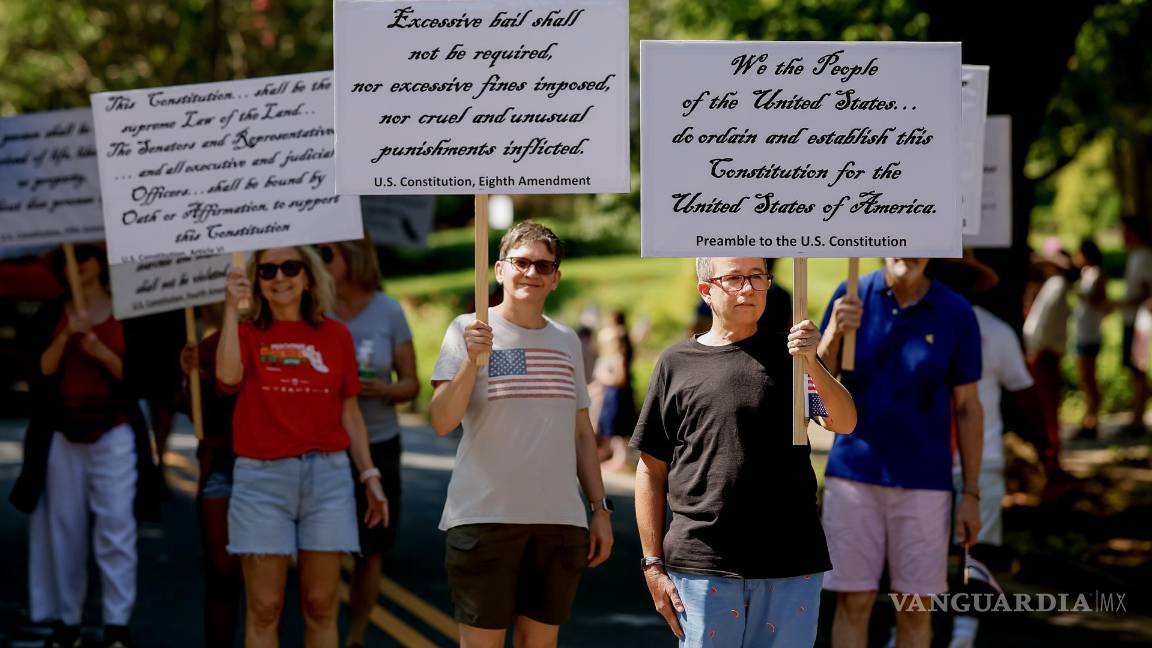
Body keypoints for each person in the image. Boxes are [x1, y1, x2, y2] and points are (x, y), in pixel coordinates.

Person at [633, 257, 855, 648]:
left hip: (790, 559)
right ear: (706, 290)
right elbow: (651, 469)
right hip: (703, 562)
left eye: (757, 277)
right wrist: (652, 564)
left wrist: (813, 363)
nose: (748, 288)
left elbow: (843, 422)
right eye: (734, 278)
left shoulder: (792, 357)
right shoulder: (676, 363)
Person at [429, 222, 613, 648]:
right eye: (521, 262)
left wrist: (599, 509)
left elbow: (583, 434)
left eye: (543, 266)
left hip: (559, 522)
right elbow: (441, 421)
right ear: (499, 270)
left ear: (556, 277)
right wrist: (471, 363)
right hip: (483, 518)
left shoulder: (567, 340)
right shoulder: (467, 330)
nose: (532, 273)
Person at [216, 246, 388, 647]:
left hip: (327, 479)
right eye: (267, 270)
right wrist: (229, 309)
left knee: (321, 603)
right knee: (264, 607)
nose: (279, 277)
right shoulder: (246, 332)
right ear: (256, 282)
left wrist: (370, 476)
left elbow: (351, 414)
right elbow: (226, 378)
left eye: (290, 267)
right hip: (261, 479)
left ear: (308, 276)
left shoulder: (336, 335)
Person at [817, 257, 984, 648]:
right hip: (854, 476)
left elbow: (969, 408)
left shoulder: (956, 311)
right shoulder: (851, 293)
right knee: (853, 603)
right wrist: (834, 334)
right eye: (895, 237)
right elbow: (815, 389)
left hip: (926, 483)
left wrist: (972, 494)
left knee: (914, 607)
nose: (906, 249)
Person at [28, 244, 146, 648]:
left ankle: (116, 625)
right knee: (65, 530)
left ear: (100, 262)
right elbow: (40, 371)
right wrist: (66, 337)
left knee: (116, 526)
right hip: (63, 435)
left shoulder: (126, 312)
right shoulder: (52, 313)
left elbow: (137, 379)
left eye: (84, 256)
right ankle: (68, 622)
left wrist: (98, 350)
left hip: (112, 433)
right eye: (68, 259)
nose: (76, 265)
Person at [926, 255, 1041, 648]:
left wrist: (1045, 444)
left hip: (981, 459)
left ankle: (964, 632)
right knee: (921, 551)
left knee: (977, 551)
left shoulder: (993, 331)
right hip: (923, 463)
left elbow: (1024, 389)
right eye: (938, 275)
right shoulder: (911, 326)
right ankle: (916, 629)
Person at [318, 238, 418, 648]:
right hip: (324, 444)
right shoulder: (314, 308)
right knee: (322, 547)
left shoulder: (388, 310)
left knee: (370, 549)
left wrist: (383, 390)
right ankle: (320, 627)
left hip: (378, 441)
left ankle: (356, 635)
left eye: (326, 254)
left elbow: (412, 382)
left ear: (353, 257)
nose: (316, 260)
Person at [179, 304, 243, 648]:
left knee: (266, 590)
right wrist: (192, 376)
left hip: (269, 469)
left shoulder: (273, 341)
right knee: (221, 573)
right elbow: (198, 418)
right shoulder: (206, 347)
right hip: (221, 465)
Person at [1022, 247, 1073, 470]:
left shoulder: (1057, 286)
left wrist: (1036, 350)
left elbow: (1045, 325)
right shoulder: (1052, 286)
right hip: (1042, 354)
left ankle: (1052, 456)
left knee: (1048, 408)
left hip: (1045, 355)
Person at [1072, 238, 1109, 440]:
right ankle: (1089, 417)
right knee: (1084, 378)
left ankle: (1092, 419)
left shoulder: (1098, 275)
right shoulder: (1085, 273)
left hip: (1091, 332)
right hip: (1082, 331)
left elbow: (1101, 301)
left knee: (1089, 377)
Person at [1120, 217, 1152, 435]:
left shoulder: (1143, 256)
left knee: (1137, 366)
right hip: (1132, 317)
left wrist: (1122, 302)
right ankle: (1137, 415)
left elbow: (1146, 290)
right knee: (1134, 367)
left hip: (1139, 319)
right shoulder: (1136, 256)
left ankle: (1138, 419)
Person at [593, 311, 636, 472]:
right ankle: (615, 458)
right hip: (615, 394)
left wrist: (603, 378)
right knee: (613, 428)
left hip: (618, 394)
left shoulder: (620, 357)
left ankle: (620, 460)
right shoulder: (620, 355)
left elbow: (620, 378)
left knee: (619, 428)